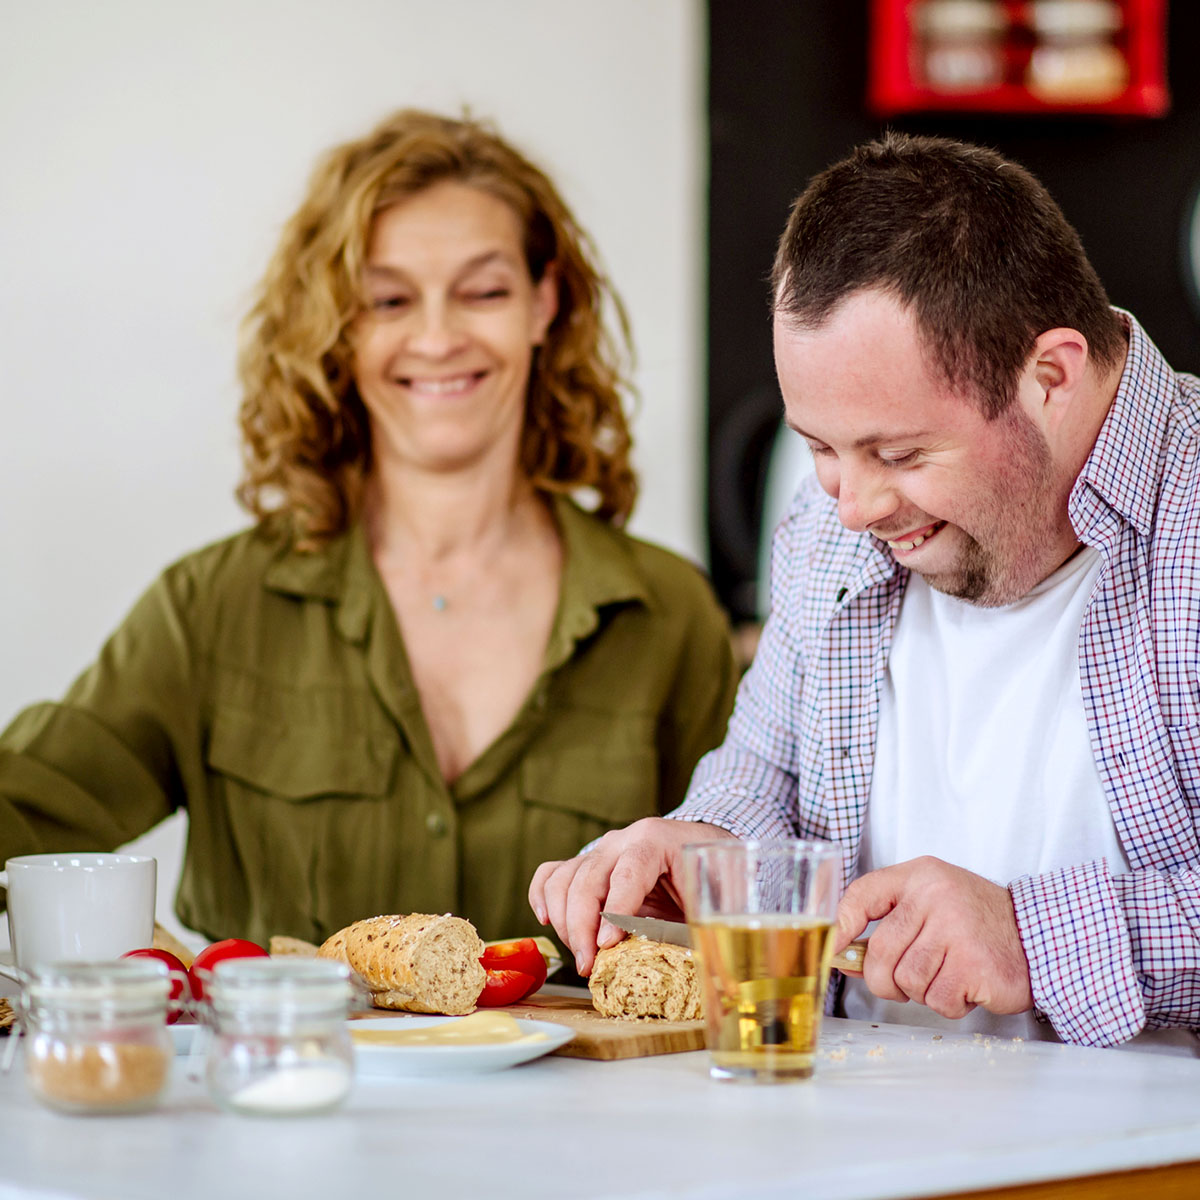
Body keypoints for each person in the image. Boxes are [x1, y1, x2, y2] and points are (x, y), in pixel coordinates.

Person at [0, 109, 737, 950]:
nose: (436, 336)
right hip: (282, 1082)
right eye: (388, 300)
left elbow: (749, 887)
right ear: (340, 329)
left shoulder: (668, 614)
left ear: (544, 302)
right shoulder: (212, 606)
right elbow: (28, 805)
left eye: (484, 290)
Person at [532, 132, 1200, 1051]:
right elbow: (768, 774)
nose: (854, 508)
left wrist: (1031, 938)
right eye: (817, 447)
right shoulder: (825, 521)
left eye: (900, 453)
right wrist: (708, 849)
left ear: (1052, 374)